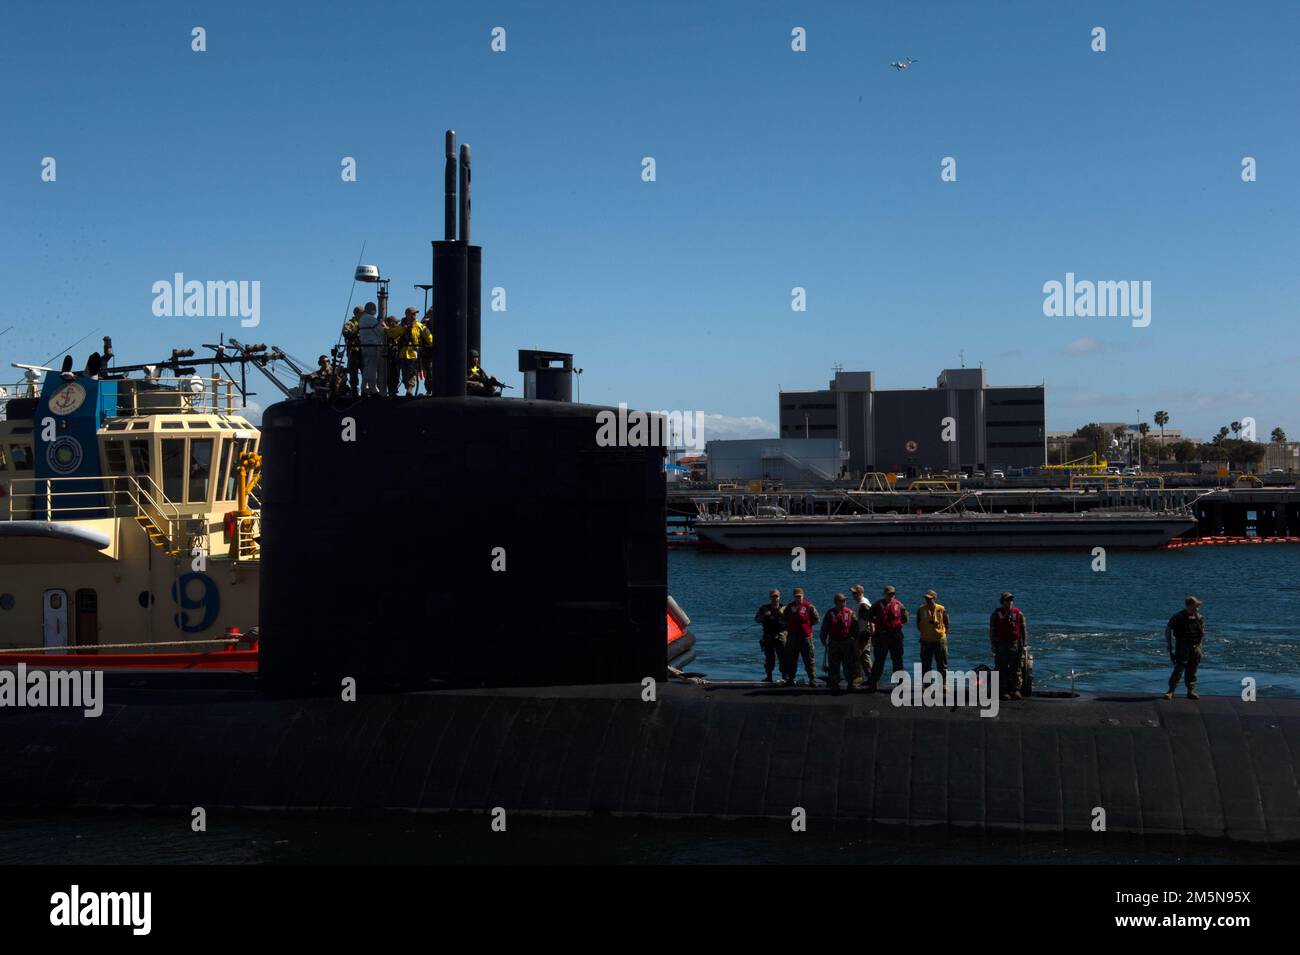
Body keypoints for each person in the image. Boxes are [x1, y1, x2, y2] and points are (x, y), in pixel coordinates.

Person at [866, 585, 909, 691]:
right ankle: (873, 683)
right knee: (879, 661)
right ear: (885, 594)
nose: (891, 596)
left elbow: (905, 618)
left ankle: (900, 684)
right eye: (889, 594)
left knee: (898, 661)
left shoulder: (899, 605)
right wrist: (878, 623)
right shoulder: (877, 604)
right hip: (882, 636)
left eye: (892, 594)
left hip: (896, 636)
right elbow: (869, 616)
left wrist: (897, 624)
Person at [1164, 596, 1205, 701]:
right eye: (1196, 606)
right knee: (1179, 668)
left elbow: (1202, 633)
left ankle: (1191, 690)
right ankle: (1171, 690)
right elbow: (1168, 629)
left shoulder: (1199, 618)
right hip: (1182, 646)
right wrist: (1169, 645)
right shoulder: (1178, 617)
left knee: (1192, 669)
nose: (1197, 608)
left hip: (1195, 647)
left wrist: (1200, 648)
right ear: (1190, 605)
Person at [989, 591, 1027, 701]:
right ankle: (1003, 691)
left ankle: (1015, 690)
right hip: (1001, 645)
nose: (1010, 602)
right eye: (1007, 600)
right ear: (1002, 601)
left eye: (1011, 600)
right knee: (1001, 669)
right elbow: (992, 630)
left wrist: (1024, 644)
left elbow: (1023, 629)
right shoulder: (996, 614)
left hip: (1015, 644)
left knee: (1016, 669)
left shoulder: (1018, 613)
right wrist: (993, 644)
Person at [780, 587, 819, 687]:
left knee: (809, 659)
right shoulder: (789, 607)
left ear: (803, 596)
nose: (798, 598)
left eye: (800, 596)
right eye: (796, 597)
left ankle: (812, 679)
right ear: (794, 597)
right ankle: (791, 679)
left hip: (805, 637)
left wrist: (807, 626)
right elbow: (784, 620)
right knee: (791, 659)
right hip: (792, 636)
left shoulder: (809, 606)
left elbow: (816, 619)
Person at [820, 593, 856, 691]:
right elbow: (824, 628)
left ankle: (850, 683)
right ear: (836, 602)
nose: (844, 602)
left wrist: (855, 639)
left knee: (848, 664)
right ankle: (834, 683)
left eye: (845, 600)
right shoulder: (830, 613)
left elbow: (855, 627)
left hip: (847, 642)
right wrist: (823, 639)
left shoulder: (850, 612)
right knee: (833, 664)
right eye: (842, 601)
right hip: (834, 642)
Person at [395, 308, 431, 397]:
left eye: (415, 314)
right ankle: (408, 387)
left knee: (412, 372)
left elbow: (429, 337)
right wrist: (385, 329)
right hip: (403, 353)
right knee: (404, 374)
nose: (415, 316)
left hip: (413, 353)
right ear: (407, 315)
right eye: (413, 314)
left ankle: (410, 389)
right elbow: (393, 333)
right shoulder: (401, 326)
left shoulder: (419, 326)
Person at [916, 589, 950, 681]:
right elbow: (918, 623)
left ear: (934, 598)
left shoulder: (941, 609)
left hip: (939, 640)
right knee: (925, 664)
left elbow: (947, 624)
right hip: (926, 640)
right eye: (926, 598)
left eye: (930, 598)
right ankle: (927, 684)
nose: (927, 600)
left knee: (942, 664)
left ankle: (943, 684)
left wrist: (943, 635)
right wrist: (925, 632)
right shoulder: (921, 609)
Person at [754, 589, 787, 683]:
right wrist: (764, 616)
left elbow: (790, 620)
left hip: (781, 635)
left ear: (779, 597)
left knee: (783, 657)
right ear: (770, 597)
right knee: (769, 658)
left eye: (776, 596)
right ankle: (769, 676)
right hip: (768, 636)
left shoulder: (784, 608)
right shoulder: (764, 608)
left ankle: (785, 676)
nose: (775, 598)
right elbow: (757, 619)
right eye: (773, 596)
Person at [356, 303, 385, 396]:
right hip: (372, 346)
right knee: (372, 368)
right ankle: (373, 388)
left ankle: (364, 387)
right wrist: (383, 325)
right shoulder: (369, 318)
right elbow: (381, 331)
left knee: (367, 368)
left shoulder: (362, 319)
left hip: (365, 346)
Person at [849, 583, 873, 687]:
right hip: (859, 633)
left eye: (855, 593)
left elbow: (871, 619)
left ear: (860, 593)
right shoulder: (858, 603)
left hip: (863, 634)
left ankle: (858, 678)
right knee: (864, 657)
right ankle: (870, 678)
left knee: (857, 656)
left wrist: (870, 631)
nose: (853, 595)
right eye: (853, 593)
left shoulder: (864, 604)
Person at [341, 307, 363, 395]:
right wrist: (357, 328)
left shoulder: (365, 323)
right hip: (353, 350)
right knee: (353, 370)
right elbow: (346, 334)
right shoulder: (350, 324)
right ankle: (354, 389)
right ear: (357, 313)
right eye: (361, 313)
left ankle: (365, 389)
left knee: (365, 370)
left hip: (364, 350)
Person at [383, 315, 402, 397]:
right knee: (389, 374)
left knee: (396, 374)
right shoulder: (386, 332)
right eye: (396, 322)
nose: (397, 324)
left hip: (396, 355)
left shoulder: (396, 331)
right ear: (391, 323)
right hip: (389, 355)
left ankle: (393, 390)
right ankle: (390, 390)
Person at [420, 309, 437, 395]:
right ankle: (429, 390)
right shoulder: (425, 326)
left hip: (437, 353)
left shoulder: (440, 326)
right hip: (428, 353)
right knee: (430, 372)